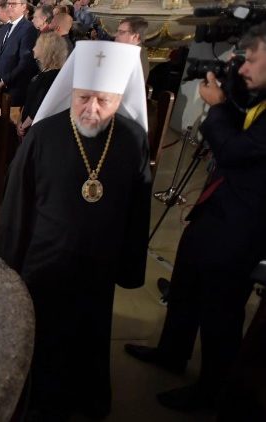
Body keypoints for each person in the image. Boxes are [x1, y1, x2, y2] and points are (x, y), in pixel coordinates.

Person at [0, 40, 150, 420]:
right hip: (43, 264)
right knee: (40, 342)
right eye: (82, 98)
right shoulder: (43, 135)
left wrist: (129, 267)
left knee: (89, 340)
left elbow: (138, 209)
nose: (91, 110)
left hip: (99, 266)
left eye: (103, 100)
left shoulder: (132, 140)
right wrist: (7, 266)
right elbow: (16, 207)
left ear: (120, 97)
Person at [124, 22, 266, 413]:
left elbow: (237, 151)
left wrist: (218, 107)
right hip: (219, 207)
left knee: (221, 310)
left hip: (245, 224)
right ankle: (172, 351)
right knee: (186, 281)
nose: (245, 65)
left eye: (253, 58)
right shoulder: (258, 94)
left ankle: (211, 392)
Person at [17, 31, 67, 139]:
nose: (33, 49)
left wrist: (24, 125)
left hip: (35, 129)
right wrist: (20, 121)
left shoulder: (52, 76)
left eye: (37, 46)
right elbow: (30, 100)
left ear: (46, 50)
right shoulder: (45, 72)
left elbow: (39, 105)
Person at [0, 0, 38, 114]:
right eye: (8, 4)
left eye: (13, 4)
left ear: (24, 7)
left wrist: (4, 81)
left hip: (14, 91)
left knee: (9, 129)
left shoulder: (29, 29)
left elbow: (25, 63)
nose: (9, 7)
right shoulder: (3, 28)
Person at [114, 16, 149, 81]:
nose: (116, 35)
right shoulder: (129, 50)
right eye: (117, 31)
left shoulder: (137, 56)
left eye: (121, 32)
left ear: (135, 36)